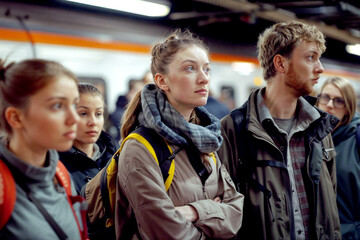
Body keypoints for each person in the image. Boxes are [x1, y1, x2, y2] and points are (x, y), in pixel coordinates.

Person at [114, 29, 244, 239]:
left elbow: (236, 212)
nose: (204, 79)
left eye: (207, 69)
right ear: (162, 81)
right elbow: (165, 232)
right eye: (190, 69)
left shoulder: (206, 138)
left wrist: (193, 212)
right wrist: (213, 210)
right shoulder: (140, 147)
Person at [217, 21, 341, 239]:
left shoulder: (320, 127)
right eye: (311, 57)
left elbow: (330, 201)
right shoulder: (233, 129)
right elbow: (223, 214)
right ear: (280, 64)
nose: (320, 67)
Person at [0, 59, 86, 239]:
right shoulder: (3, 189)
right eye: (57, 106)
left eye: (74, 105)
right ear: (16, 117)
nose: (75, 119)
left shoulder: (60, 174)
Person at [316, 77, 360, 239]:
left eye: (339, 101)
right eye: (325, 97)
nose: (329, 105)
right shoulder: (310, 139)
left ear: (348, 108)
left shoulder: (356, 136)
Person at [59, 82, 118, 194]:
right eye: (83, 114)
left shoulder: (116, 157)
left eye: (98, 114)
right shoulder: (56, 164)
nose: (93, 122)